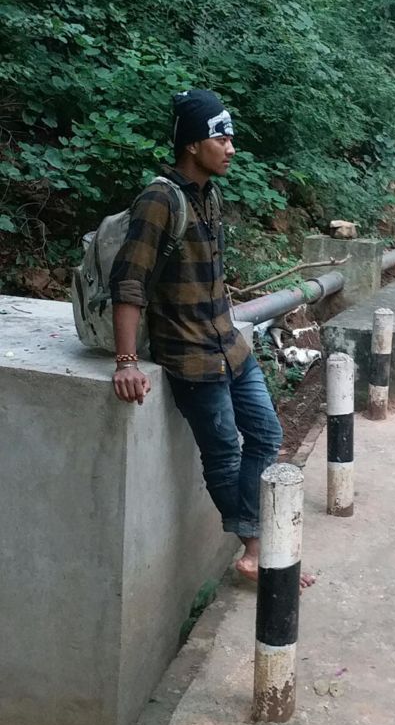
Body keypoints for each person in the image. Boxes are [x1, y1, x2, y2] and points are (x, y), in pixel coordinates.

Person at [109, 89, 314, 587]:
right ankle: (255, 550)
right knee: (223, 454)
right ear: (191, 144)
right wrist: (126, 361)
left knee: (266, 434)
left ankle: (255, 539)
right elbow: (129, 282)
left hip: (231, 347)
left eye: (230, 138)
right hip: (191, 357)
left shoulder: (211, 196)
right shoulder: (159, 200)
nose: (230, 148)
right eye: (220, 138)